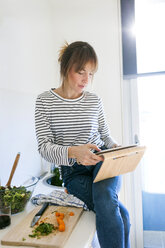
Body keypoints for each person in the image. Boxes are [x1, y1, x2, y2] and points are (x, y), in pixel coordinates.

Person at [35, 41, 130, 248]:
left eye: (91, 73)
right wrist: (73, 152)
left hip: (102, 161)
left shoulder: (94, 100)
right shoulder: (44, 102)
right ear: (65, 68)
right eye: (81, 72)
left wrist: (117, 148)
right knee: (122, 214)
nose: (87, 80)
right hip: (73, 173)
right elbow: (44, 148)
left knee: (105, 197)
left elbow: (105, 136)